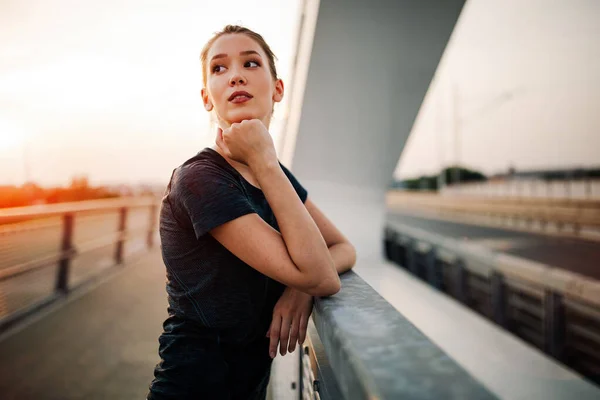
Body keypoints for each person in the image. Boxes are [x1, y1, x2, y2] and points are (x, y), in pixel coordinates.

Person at [147, 25, 356, 400]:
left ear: (277, 89)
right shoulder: (200, 179)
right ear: (207, 98)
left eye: (251, 62)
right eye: (219, 69)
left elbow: (342, 247)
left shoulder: (273, 175)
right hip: (193, 389)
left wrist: (297, 288)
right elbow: (323, 276)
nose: (236, 75)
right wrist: (265, 160)